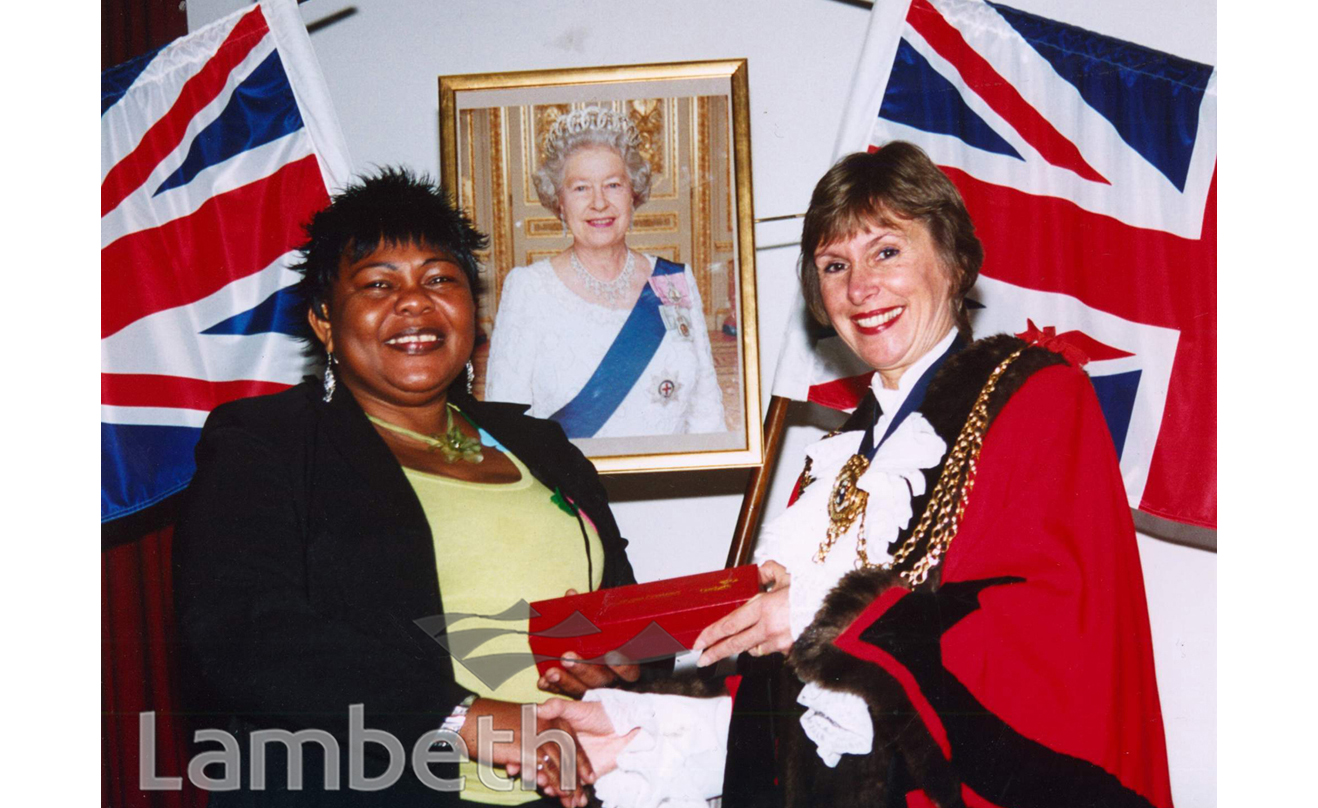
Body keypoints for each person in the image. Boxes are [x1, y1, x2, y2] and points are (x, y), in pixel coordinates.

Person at [544, 143, 1175, 808]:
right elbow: (790, 708)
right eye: (834, 266)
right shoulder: (834, 463)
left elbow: (1045, 633)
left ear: (954, 261)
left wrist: (830, 620)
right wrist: (643, 728)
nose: (859, 288)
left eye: (887, 252)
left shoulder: (1033, 395)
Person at [173, 168, 643, 808]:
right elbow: (245, 637)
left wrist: (623, 666)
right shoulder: (266, 445)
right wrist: (463, 715)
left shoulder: (542, 446)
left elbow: (624, 612)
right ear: (324, 322)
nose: (415, 302)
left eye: (440, 279)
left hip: (576, 789)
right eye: (377, 284)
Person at [484, 106, 726, 438]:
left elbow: (706, 409)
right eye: (581, 188)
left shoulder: (672, 281)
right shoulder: (528, 288)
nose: (599, 203)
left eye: (613, 185)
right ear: (560, 201)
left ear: (633, 193)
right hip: (568, 488)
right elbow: (505, 424)